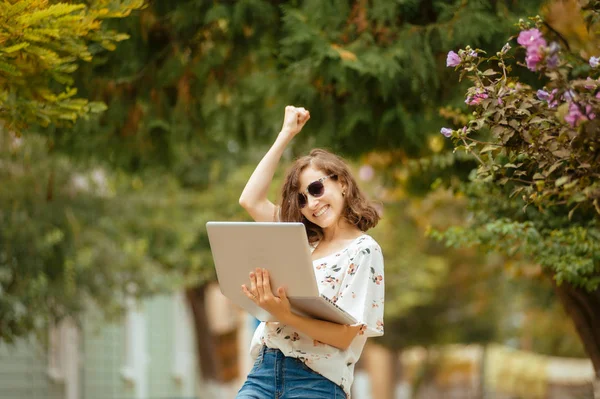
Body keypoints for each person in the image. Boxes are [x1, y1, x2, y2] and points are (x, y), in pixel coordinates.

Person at [236, 105, 385, 399]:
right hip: (264, 371)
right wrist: (285, 134)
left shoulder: (364, 251)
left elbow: (345, 336)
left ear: (342, 183)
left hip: (316, 381)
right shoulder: (300, 239)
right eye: (302, 199)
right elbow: (250, 199)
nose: (311, 204)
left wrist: (285, 314)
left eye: (316, 189)